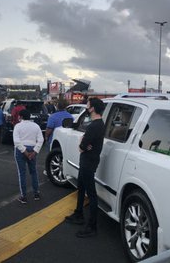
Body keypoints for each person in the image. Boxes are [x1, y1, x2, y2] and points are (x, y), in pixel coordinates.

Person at [65, 98, 105, 237]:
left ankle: (92, 227)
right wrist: (83, 142)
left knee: (91, 194)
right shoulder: (98, 124)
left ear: (92, 108)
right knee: (81, 187)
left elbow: (82, 147)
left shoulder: (95, 126)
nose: (86, 106)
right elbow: (85, 144)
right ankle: (79, 214)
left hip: (89, 162)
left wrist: (82, 142)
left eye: (88, 105)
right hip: (88, 161)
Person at [12, 110, 43, 204]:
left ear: (20, 116)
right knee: (33, 172)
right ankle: (36, 193)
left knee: (22, 173)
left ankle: (24, 196)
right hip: (33, 149)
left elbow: (16, 141)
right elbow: (41, 140)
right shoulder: (36, 126)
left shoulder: (18, 126)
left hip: (21, 151)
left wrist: (25, 151)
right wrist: (34, 152)